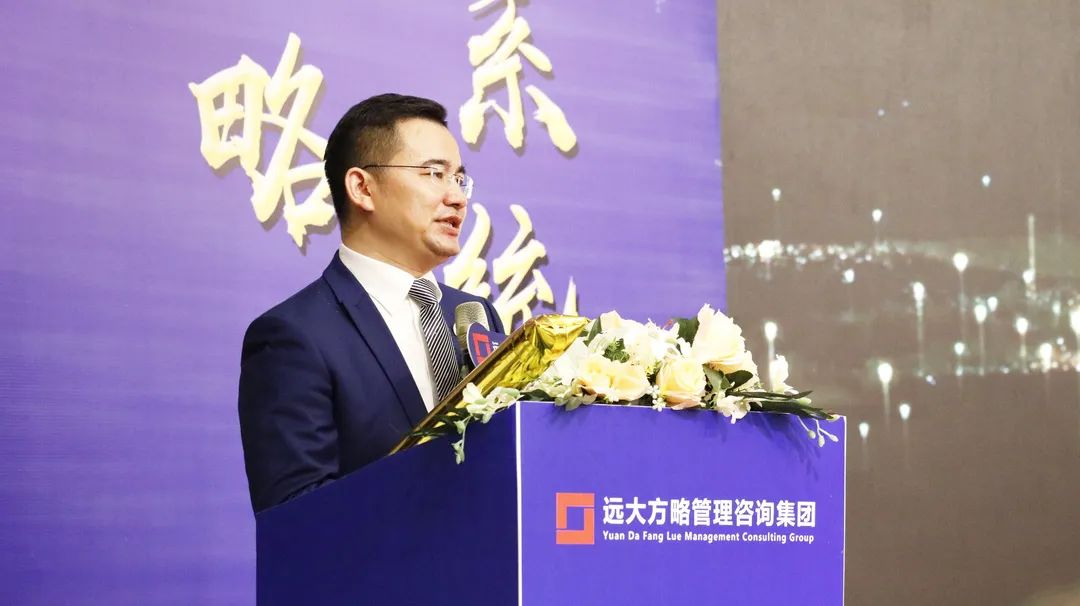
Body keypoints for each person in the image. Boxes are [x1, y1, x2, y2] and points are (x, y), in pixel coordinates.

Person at [238, 93, 503, 513]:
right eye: (435, 174)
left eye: (459, 179)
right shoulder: (293, 337)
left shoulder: (474, 316)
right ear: (362, 187)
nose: (457, 197)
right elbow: (296, 517)